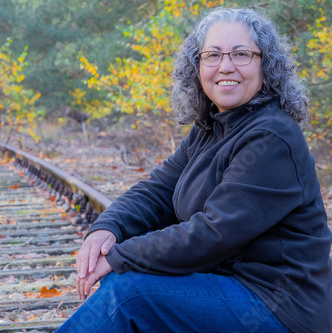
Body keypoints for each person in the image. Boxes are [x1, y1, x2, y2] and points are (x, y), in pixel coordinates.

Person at [56, 7, 332, 333]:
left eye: (241, 54)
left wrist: (119, 256)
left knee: (130, 295)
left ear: (266, 66)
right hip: (229, 284)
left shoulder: (271, 137)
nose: (225, 66)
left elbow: (213, 234)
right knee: (128, 281)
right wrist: (109, 226)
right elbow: (159, 190)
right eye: (212, 55)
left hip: (277, 305)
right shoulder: (211, 126)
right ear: (197, 66)